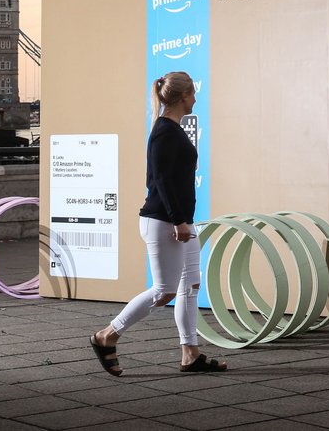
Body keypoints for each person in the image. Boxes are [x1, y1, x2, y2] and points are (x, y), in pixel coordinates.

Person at [90, 71, 227, 375]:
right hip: (164, 222)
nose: (195, 99)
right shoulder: (165, 131)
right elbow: (161, 182)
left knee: (190, 286)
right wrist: (178, 221)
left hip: (180, 222)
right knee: (164, 291)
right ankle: (107, 335)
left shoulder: (171, 128)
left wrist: (184, 221)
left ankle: (190, 352)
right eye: (193, 94)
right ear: (182, 97)